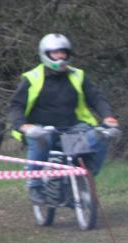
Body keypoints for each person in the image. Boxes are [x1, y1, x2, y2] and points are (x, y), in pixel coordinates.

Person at [8, 33, 119, 205]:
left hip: (73, 129)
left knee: (101, 136)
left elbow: (96, 98)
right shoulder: (32, 77)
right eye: (55, 53)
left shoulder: (78, 75)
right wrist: (23, 126)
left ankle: (87, 175)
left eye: (63, 53)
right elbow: (16, 106)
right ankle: (34, 184)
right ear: (45, 54)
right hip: (42, 130)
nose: (60, 57)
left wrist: (108, 117)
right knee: (41, 138)